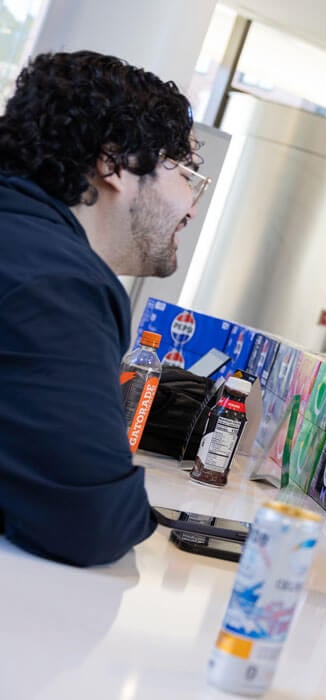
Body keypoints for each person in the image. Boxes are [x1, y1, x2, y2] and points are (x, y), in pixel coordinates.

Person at [0, 51, 202, 566]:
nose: (193, 205)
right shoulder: (56, 282)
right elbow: (94, 520)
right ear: (114, 162)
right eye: (185, 171)